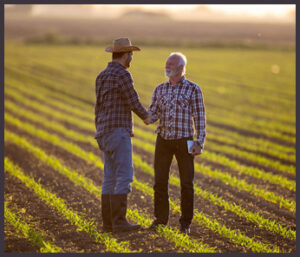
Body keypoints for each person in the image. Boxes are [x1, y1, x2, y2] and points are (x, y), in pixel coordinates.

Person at [146, 52, 206, 234]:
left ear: (181, 68)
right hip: (163, 140)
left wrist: (199, 142)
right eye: (166, 63)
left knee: (187, 183)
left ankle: (185, 223)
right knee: (160, 182)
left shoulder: (193, 89)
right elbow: (153, 113)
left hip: (185, 141)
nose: (167, 66)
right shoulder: (159, 89)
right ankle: (161, 220)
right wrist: (146, 116)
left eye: (171, 64)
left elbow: (200, 118)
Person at [95, 38, 151, 233]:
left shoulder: (101, 75)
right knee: (125, 176)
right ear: (125, 55)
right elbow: (133, 101)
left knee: (109, 177)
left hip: (104, 132)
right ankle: (119, 222)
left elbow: (98, 107)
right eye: (131, 54)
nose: (132, 58)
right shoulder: (123, 75)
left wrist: (98, 133)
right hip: (119, 132)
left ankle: (108, 223)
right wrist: (147, 117)